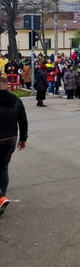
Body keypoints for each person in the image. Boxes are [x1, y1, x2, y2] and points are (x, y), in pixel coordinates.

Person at [0, 76, 28, 216]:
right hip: (11, 138)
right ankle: (1, 199)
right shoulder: (16, 100)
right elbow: (23, 120)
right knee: (3, 168)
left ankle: (0, 198)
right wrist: (23, 139)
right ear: (6, 85)